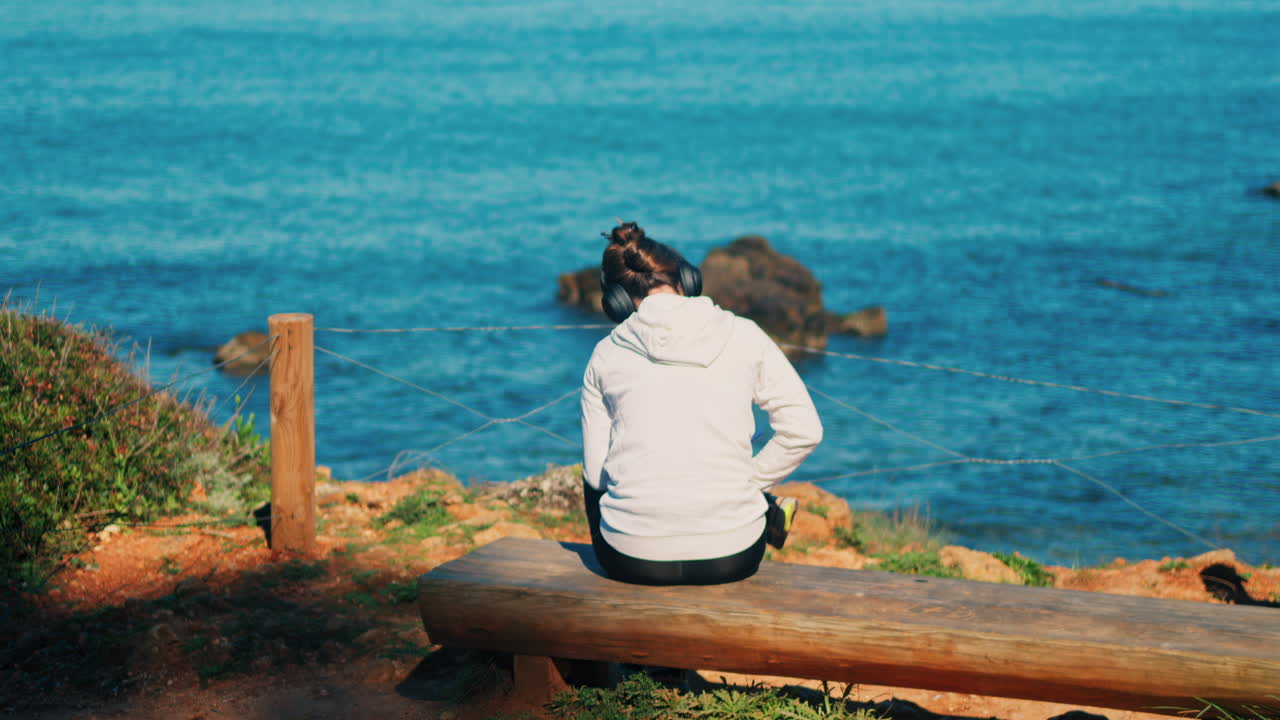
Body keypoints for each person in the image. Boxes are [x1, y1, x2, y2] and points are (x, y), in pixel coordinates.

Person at [580, 221, 823, 586]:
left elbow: (596, 475)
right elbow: (805, 431)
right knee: (752, 501)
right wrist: (749, 483)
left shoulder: (605, 353)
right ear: (687, 281)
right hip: (733, 556)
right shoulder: (745, 335)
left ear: (615, 300)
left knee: (598, 495)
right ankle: (762, 507)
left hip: (631, 560)